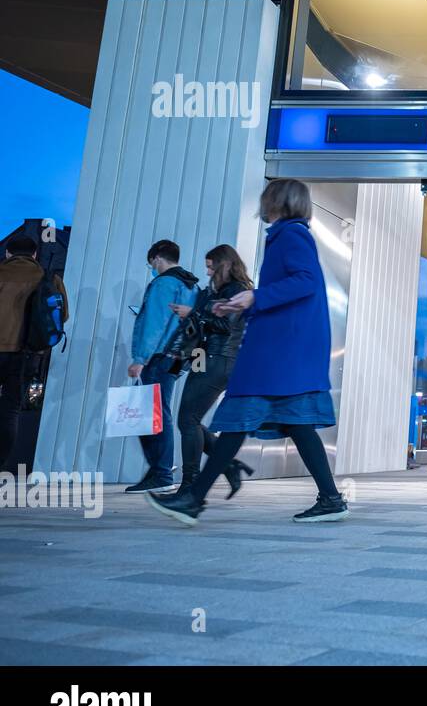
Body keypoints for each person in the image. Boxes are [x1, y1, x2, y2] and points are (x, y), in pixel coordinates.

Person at [147, 179, 349, 525]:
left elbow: (306, 282)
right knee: (294, 424)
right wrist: (241, 305)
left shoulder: (291, 235)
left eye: (267, 198)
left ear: (279, 200)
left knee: (240, 417)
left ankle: (194, 499)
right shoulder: (288, 234)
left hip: (278, 354)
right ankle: (330, 498)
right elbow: (291, 290)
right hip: (285, 354)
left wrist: (256, 297)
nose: (263, 204)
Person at [163, 245, 255, 498]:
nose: (207, 271)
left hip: (219, 359)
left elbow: (225, 325)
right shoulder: (214, 290)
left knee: (187, 420)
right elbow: (200, 329)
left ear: (224, 264)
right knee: (188, 419)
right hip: (205, 358)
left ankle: (191, 486)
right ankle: (228, 465)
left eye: (211, 266)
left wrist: (194, 313)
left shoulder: (237, 290)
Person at [125, 240, 199, 493]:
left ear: (157, 258)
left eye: (151, 264)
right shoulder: (192, 284)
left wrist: (140, 358)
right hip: (179, 356)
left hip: (159, 355)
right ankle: (161, 469)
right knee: (160, 409)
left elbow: (154, 323)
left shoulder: (163, 283)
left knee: (153, 412)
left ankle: (161, 472)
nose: (152, 268)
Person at [0, 235, 70, 471]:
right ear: (35, 255)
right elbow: (63, 317)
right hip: (27, 354)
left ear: (8, 254)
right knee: (10, 412)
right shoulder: (50, 278)